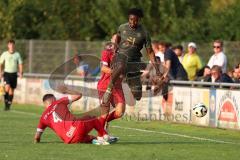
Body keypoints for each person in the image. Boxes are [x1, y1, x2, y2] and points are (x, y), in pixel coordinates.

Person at [101, 8, 162, 104]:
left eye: (136, 20)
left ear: (139, 20)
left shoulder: (144, 33)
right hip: (120, 57)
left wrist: (157, 69)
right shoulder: (122, 27)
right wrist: (115, 49)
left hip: (134, 62)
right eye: (131, 19)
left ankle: (129, 81)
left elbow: (150, 52)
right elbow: (117, 37)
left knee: (137, 95)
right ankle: (108, 91)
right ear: (128, 18)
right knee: (121, 64)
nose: (133, 22)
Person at [34, 89, 114, 145]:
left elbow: (37, 137)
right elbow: (78, 95)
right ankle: (105, 135)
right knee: (91, 117)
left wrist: (37, 141)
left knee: (85, 137)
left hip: (68, 140)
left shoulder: (43, 117)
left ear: (45, 104)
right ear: (53, 99)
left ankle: (96, 139)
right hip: (76, 130)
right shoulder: (59, 102)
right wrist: (66, 90)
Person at [97, 37, 125, 135]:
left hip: (117, 87)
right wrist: (115, 72)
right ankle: (100, 135)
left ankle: (103, 123)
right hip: (105, 85)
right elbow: (103, 68)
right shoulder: (107, 52)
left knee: (120, 112)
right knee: (104, 112)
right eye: (114, 40)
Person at [0, 40, 23, 111]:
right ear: (8, 46)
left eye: (12, 45)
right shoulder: (5, 54)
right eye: (10, 45)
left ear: (14, 45)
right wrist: (0, 72)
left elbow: (20, 64)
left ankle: (8, 105)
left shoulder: (17, 54)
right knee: (7, 87)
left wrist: (21, 72)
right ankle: (6, 102)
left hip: (14, 74)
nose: (11, 46)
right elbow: (1, 63)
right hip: (7, 73)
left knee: (11, 90)